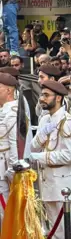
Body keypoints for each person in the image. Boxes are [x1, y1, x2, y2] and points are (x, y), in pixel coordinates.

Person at [30, 80, 71, 239]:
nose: (42, 99)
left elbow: (69, 155)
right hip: (47, 183)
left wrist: (41, 157)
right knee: (53, 230)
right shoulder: (45, 120)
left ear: (58, 98)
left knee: (65, 231)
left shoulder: (68, 121)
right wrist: (42, 134)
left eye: (46, 95)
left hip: (62, 184)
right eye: (42, 94)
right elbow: (33, 146)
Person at [0, 73, 18, 224]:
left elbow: (15, 144)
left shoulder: (12, 112)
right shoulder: (4, 110)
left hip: (4, 168)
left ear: (8, 90)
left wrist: (12, 171)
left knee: (4, 211)